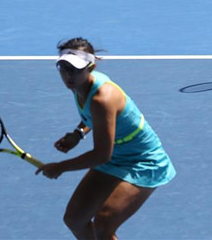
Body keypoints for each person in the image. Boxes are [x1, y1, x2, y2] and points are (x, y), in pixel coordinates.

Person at [36, 37, 176, 239]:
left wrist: (60, 166)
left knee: (103, 224)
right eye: (64, 68)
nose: (68, 75)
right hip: (116, 155)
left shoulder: (103, 98)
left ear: (90, 67)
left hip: (142, 160)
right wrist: (79, 133)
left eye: (75, 69)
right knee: (74, 219)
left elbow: (101, 154)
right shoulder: (80, 86)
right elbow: (95, 119)